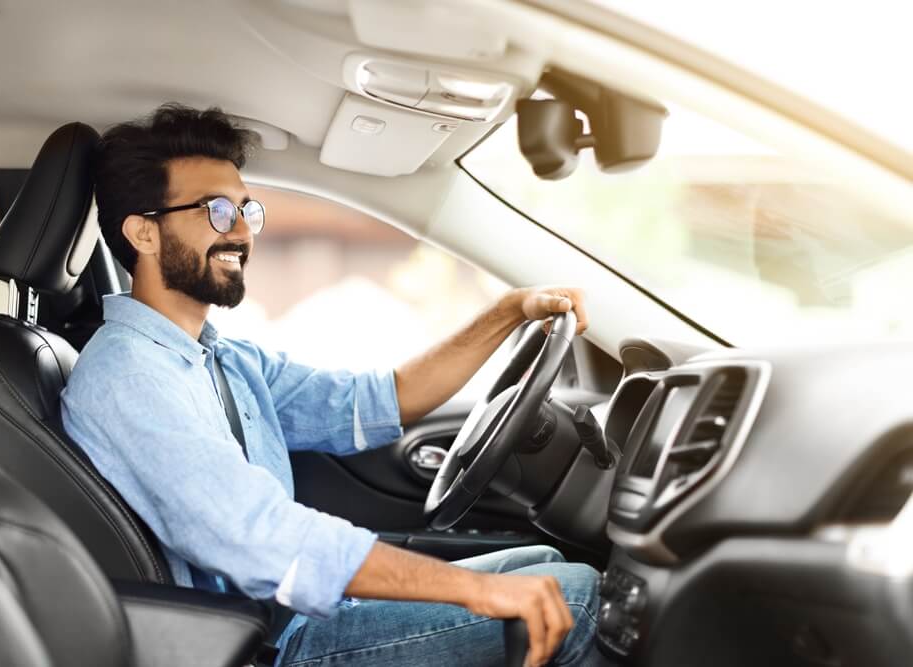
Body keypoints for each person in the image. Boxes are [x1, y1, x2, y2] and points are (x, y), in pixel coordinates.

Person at [62, 104, 604, 667]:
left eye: (247, 209)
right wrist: (476, 591)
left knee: (537, 560)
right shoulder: (128, 378)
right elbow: (256, 537)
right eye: (218, 211)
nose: (244, 230)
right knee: (578, 600)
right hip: (264, 645)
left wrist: (509, 312)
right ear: (143, 233)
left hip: (293, 614)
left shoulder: (218, 357)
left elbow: (379, 399)